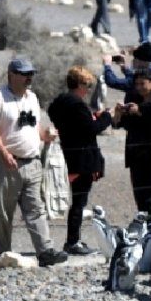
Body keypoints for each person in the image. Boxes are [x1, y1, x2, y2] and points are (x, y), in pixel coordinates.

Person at [0, 57, 68, 266]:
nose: (29, 78)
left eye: (31, 73)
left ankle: (45, 251)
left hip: (32, 162)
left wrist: (45, 136)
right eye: (24, 74)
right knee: (3, 211)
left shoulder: (32, 98)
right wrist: (3, 153)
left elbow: (33, 127)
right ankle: (3, 254)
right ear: (11, 74)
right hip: (6, 163)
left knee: (35, 208)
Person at [47, 66, 113, 255]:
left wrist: (92, 117)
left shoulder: (59, 103)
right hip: (82, 159)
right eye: (88, 85)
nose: (89, 89)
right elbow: (91, 129)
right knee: (78, 202)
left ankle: (72, 240)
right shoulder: (76, 104)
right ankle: (73, 241)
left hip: (68, 153)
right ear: (80, 84)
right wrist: (106, 117)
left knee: (76, 201)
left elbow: (77, 125)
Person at [114, 67, 151, 218]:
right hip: (137, 153)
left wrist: (139, 110)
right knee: (141, 194)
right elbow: (119, 124)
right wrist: (118, 114)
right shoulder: (133, 99)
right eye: (137, 84)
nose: (139, 87)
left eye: (143, 84)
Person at [102, 41, 151, 105]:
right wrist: (125, 69)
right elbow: (133, 78)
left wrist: (107, 65)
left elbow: (112, 81)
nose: (132, 61)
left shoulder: (142, 78)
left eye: (134, 58)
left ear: (139, 60)